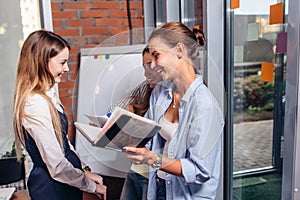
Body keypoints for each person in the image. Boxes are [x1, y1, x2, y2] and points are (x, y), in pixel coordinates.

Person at [122, 22, 224, 199]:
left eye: (156, 56)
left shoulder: (204, 105)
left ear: (179, 50)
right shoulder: (161, 92)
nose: (152, 65)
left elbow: (200, 170)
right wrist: (123, 134)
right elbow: (148, 137)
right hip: (160, 186)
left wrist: (152, 159)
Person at [13, 30, 106, 200]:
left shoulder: (47, 95)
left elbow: (63, 143)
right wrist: (90, 186)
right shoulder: (36, 103)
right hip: (52, 188)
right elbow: (56, 165)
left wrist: (84, 171)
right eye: (62, 62)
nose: (67, 68)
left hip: (65, 183)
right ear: (42, 62)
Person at [119, 46, 162, 200]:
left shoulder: (174, 96)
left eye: (150, 65)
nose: (146, 72)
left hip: (153, 175)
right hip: (137, 169)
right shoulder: (145, 88)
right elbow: (117, 109)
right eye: (145, 66)